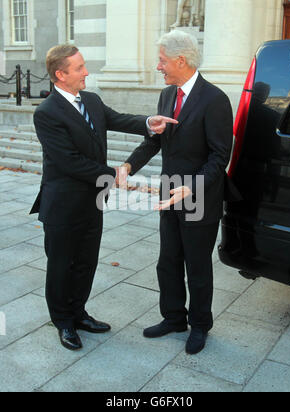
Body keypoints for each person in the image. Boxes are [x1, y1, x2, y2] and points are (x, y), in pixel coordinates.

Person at [30, 44, 176, 351]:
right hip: (62, 206)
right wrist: (114, 174)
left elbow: (118, 118)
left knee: (85, 263)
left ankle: (79, 313)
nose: (86, 72)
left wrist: (149, 122)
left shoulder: (92, 100)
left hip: (92, 202)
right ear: (61, 74)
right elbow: (68, 161)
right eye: (80, 67)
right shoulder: (46, 114)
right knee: (61, 266)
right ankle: (63, 322)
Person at [118, 30, 234, 355]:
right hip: (169, 193)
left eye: (162, 60)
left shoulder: (215, 100)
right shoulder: (168, 94)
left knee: (197, 265)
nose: (159, 67)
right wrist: (128, 166)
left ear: (180, 60)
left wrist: (192, 186)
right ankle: (173, 318)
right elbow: (154, 141)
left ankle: (199, 325)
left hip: (198, 195)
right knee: (167, 260)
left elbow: (219, 157)